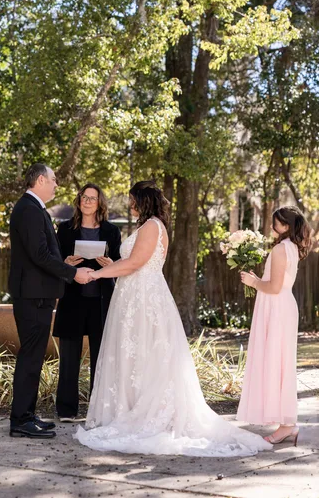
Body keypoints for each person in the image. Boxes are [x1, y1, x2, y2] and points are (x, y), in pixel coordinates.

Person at [74, 180, 270, 456]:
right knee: (137, 356)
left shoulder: (153, 226)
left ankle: (148, 414)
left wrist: (95, 274)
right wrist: (110, 266)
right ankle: (130, 407)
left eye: (132, 200)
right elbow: (130, 263)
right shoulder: (147, 226)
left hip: (144, 300)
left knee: (148, 355)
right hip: (134, 297)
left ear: (143, 201)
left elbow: (135, 263)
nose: (129, 205)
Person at [7, 163, 93, 439]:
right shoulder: (29, 210)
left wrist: (63, 263)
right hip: (32, 296)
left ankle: (27, 415)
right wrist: (73, 273)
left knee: (33, 356)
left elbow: (43, 254)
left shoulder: (33, 209)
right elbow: (39, 255)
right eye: (54, 180)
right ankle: (20, 419)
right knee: (30, 357)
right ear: (41, 180)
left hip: (38, 294)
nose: (57, 185)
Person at [237, 205, 312, 446]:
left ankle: (287, 425)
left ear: (287, 226)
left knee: (278, 363)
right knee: (278, 363)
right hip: (279, 307)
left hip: (277, 307)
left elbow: (273, 287)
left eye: (277, 223)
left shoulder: (281, 249)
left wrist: (253, 281)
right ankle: (285, 422)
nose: (272, 226)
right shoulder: (290, 248)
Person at [53, 183, 122, 423]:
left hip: (100, 302)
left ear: (100, 203)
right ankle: (66, 411)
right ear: (79, 201)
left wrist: (110, 265)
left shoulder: (112, 232)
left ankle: (98, 412)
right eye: (84, 197)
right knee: (69, 359)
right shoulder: (64, 229)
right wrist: (66, 263)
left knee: (100, 359)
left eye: (92, 198)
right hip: (73, 300)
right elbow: (54, 263)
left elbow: (120, 264)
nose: (88, 201)